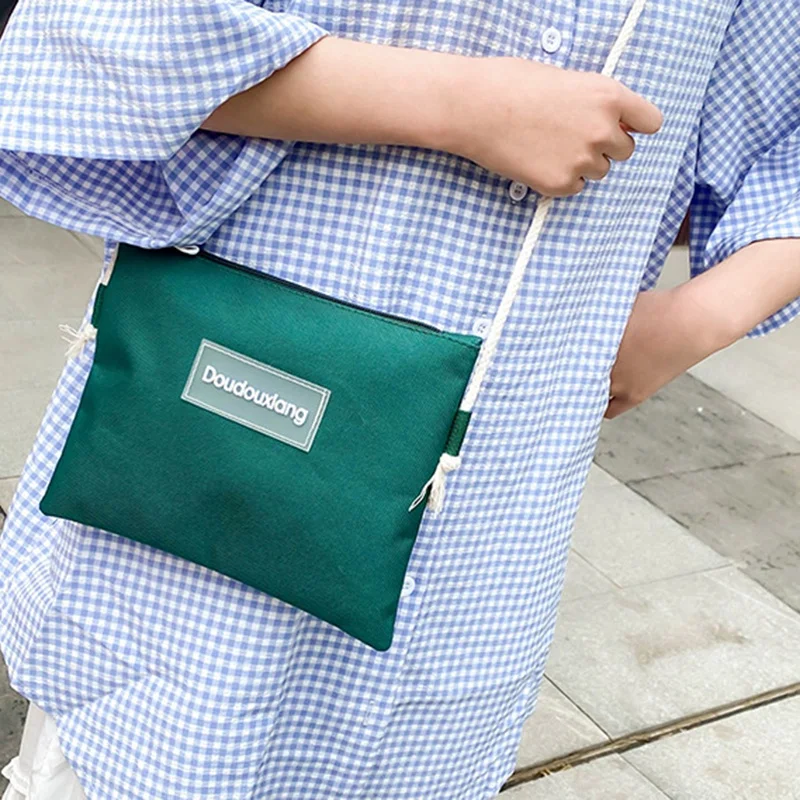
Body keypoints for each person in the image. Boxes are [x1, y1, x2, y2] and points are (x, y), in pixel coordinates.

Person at [0, 0, 798, 798]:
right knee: (146, 742)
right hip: (206, 442)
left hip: (484, 505)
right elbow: (92, 42)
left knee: (401, 754)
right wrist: (461, 104)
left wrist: (696, 319)